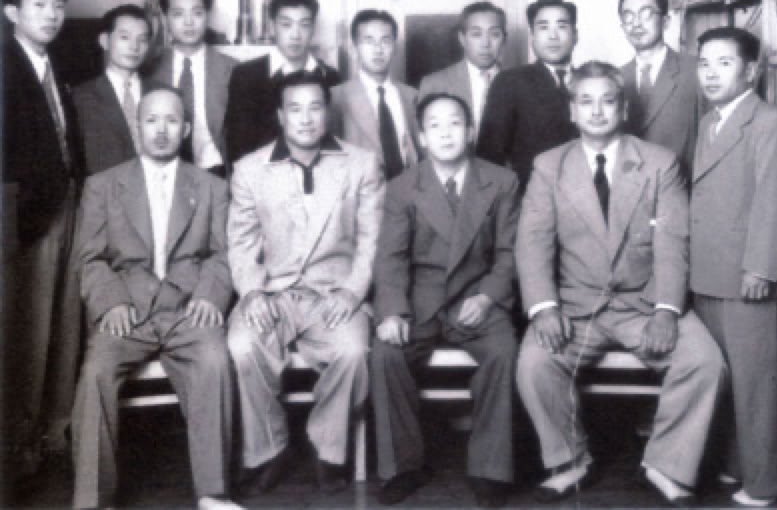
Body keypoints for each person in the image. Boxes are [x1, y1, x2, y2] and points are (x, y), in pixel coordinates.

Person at [515, 61, 725, 506]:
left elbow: (672, 242)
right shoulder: (549, 166)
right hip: (575, 306)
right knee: (534, 364)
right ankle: (570, 460)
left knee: (705, 362)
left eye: (607, 101)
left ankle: (668, 464)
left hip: (644, 303)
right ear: (572, 111)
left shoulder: (659, 163)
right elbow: (533, 243)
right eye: (586, 101)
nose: (596, 111)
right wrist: (544, 307)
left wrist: (667, 310)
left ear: (624, 108)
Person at [71, 86, 239, 510]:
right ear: (137, 127)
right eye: (151, 120)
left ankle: (213, 492)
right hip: (127, 310)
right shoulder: (103, 186)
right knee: (95, 372)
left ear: (186, 129)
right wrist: (111, 303)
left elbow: (223, 254)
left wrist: (210, 296)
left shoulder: (212, 186)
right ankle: (93, 500)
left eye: (171, 121)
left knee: (215, 361)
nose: (161, 130)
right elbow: (89, 258)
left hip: (188, 310)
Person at [226, 70, 384, 495]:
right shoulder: (250, 169)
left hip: (334, 293)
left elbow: (372, 241)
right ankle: (269, 449)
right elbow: (241, 245)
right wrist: (252, 292)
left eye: (315, 107)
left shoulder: (361, 164)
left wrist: (352, 291)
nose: (306, 118)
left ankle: (325, 446)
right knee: (242, 345)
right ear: (280, 116)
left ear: (328, 112)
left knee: (353, 351)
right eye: (295, 109)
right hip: (273, 292)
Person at [371, 93, 519, 508]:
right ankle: (403, 467)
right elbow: (391, 257)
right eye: (434, 125)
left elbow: (509, 253)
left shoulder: (501, 181)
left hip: (477, 296)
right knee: (385, 354)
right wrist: (392, 311)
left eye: (455, 123)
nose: (446, 133)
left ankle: (490, 469)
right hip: (420, 300)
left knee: (504, 352)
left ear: (470, 131)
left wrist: (487, 297)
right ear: (421, 137)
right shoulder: (402, 187)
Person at [691, 26, 777, 507]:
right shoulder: (709, 122)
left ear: (751, 71)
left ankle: (768, 480)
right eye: (704, 63)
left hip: (747, 278)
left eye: (724, 63)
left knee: (759, 386)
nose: (711, 73)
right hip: (709, 275)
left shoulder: (772, 123)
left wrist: (761, 268)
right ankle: (739, 464)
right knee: (729, 380)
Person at [2, 0, 85, 475]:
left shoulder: (59, 61)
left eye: (58, 4)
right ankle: (20, 444)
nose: (52, 14)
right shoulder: (5, 67)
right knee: (28, 332)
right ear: (11, 11)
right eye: (40, 4)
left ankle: (55, 431)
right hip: (25, 217)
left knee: (65, 323)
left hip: (68, 204)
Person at [224, 0, 341, 164]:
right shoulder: (246, 76)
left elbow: (336, 142)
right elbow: (237, 145)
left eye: (304, 25)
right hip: (261, 175)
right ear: (272, 27)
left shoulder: (330, 77)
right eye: (286, 25)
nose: (295, 35)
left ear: (313, 29)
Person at [477, 0, 579, 190]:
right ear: (532, 37)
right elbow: (489, 157)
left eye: (561, 26)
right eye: (543, 27)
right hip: (530, 197)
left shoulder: (591, 81)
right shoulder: (510, 82)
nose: (553, 36)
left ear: (575, 35)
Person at [147, 0, 236, 177]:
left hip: (217, 171)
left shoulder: (232, 69)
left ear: (207, 17)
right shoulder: (150, 70)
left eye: (197, 13)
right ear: (166, 19)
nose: (188, 22)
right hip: (163, 172)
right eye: (178, 14)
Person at [618, 0, 703, 175]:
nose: (636, 23)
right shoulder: (616, 78)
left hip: (681, 185)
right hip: (631, 188)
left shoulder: (695, 71)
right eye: (628, 16)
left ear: (665, 21)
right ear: (622, 26)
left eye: (646, 14)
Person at [330, 9, 420, 180]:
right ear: (354, 48)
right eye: (369, 41)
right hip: (360, 191)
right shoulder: (336, 98)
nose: (378, 49)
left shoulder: (412, 96)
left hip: (408, 189)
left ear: (394, 47)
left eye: (385, 40)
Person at [74, 4, 152, 175]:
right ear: (104, 41)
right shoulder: (80, 97)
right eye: (125, 37)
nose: (134, 47)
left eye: (142, 39)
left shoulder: (162, 94)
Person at [419, 1, 506, 133]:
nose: (485, 43)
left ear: (504, 38)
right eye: (476, 34)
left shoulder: (517, 83)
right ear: (462, 38)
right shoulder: (434, 84)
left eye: (494, 34)